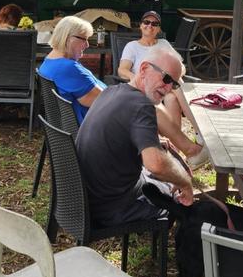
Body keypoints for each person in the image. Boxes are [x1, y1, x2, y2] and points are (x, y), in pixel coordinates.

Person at [77, 45, 194, 225]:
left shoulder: (111, 91)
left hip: (83, 200)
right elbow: (156, 165)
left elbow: (119, 136)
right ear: (144, 68)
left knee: (166, 179)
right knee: (173, 193)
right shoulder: (141, 106)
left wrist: (154, 143)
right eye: (166, 78)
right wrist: (185, 182)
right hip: (111, 208)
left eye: (175, 83)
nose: (169, 87)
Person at [118, 10, 208, 168]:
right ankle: (201, 132)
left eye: (155, 24)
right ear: (140, 25)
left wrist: (176, 75)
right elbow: (122, 70)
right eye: (146, 22)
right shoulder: (132, 47)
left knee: (173, 97)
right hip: (148, 87)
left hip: (167, 86)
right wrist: (136, 79)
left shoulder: (164, 44)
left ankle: (177, 152)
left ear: (159, 29)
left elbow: (179, 66)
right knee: (177, 88)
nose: (150, 26)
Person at [39, 15, 106, 124]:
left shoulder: (49, 61)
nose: (87, 45)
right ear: (68, 38)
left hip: (72, 129)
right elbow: (105, 102)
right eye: (84, 39)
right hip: (92, 129)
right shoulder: (67, 68)